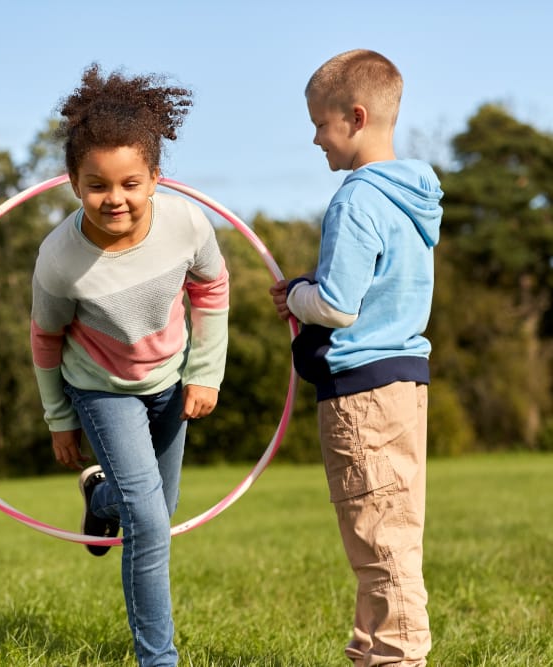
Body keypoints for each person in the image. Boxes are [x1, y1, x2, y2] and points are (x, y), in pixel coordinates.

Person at [30, 64, 230, 667]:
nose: (114, 198)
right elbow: (45, 340)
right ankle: (158, 658)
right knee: (148, 519)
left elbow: (212, 291)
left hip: (170, 378)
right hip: (98, 387)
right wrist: (59, 418)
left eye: (130, 183)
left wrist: (205, 372)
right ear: (72, 182)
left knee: (155, 512)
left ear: (155, 179)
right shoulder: (60, 258)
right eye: (97, 186)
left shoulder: (187, 224)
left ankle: (100, 501)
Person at [270, 49, 443, 666]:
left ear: (356, 116)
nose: (315, 138)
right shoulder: (413, 196)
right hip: (404, 386)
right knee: (392, 528)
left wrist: (296, 295)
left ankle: (398, 658)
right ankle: (371, 653)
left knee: (379, 538)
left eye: (321, 123)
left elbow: (339, 307)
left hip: (362, 394)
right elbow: (375, 287)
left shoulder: (356, 200)